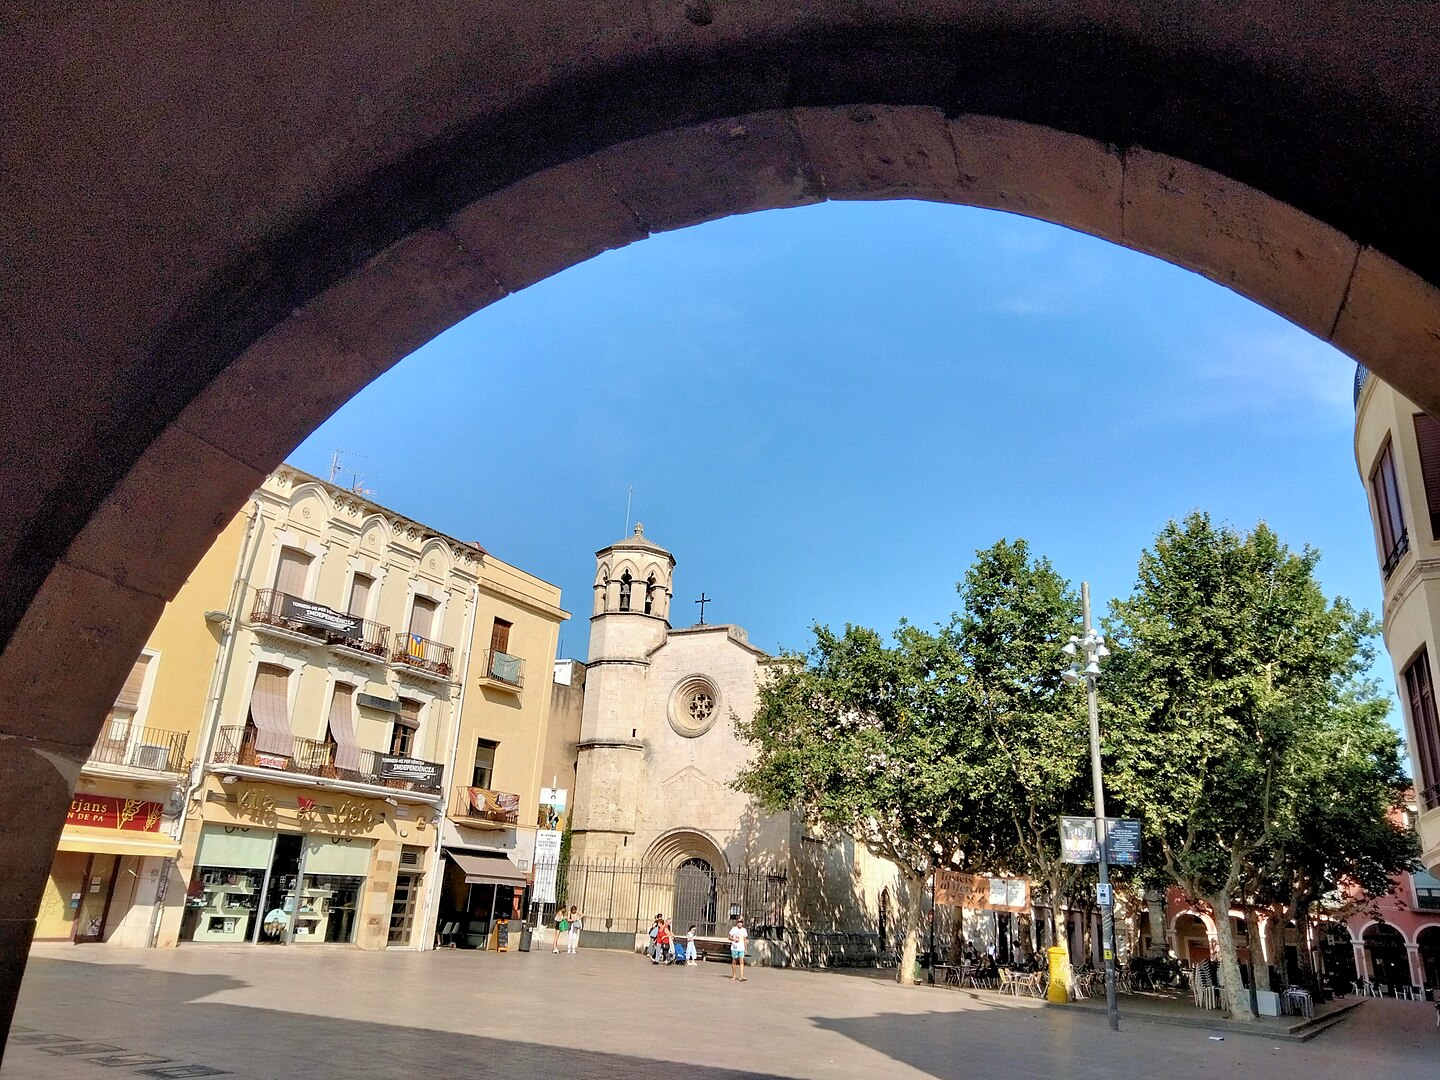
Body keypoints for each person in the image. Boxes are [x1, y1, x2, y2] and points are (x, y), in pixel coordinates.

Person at [728, 915, 748, 981]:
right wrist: (733, 939)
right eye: (739, 922)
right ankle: (734, 975)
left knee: (741, 961)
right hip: (734, 947)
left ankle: (742, 976)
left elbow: (745, 939)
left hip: (741, 948)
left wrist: (745, 948)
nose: (740, 923)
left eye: (741, 922)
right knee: (734, 961)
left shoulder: (744, 930)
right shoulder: (734, 929)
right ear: (737, 922)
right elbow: (729, 937)